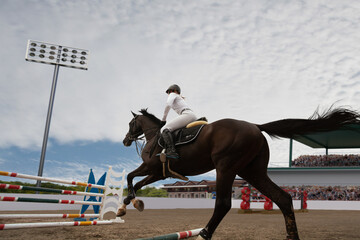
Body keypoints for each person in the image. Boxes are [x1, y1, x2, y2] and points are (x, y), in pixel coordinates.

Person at [161, 84, 197, 158]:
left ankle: (172, 151)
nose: (168, 94)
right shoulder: (179, 98)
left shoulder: (172, 94)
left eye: (168, 92)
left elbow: (168, 104)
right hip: (192, 116)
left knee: (164, 129)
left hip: (187, 115)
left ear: (173, 91)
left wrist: (163, 120)